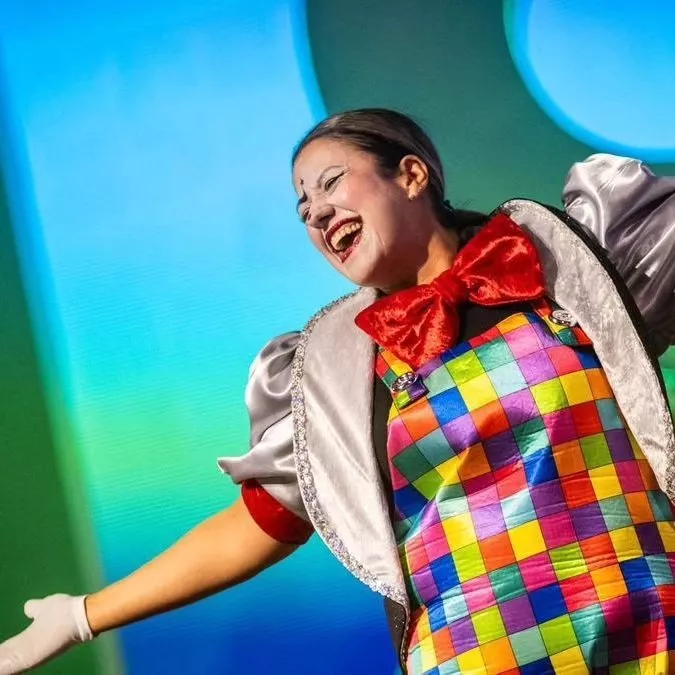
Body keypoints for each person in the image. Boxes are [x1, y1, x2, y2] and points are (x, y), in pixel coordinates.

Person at [1, 108, 674, 674]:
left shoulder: (564, 265)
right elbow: (260, 523)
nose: (318, 213)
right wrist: (82, 615)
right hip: (478, 654)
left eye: (331, 184)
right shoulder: (335, 371)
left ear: (411, 175)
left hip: (646, 626)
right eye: (303, 209)